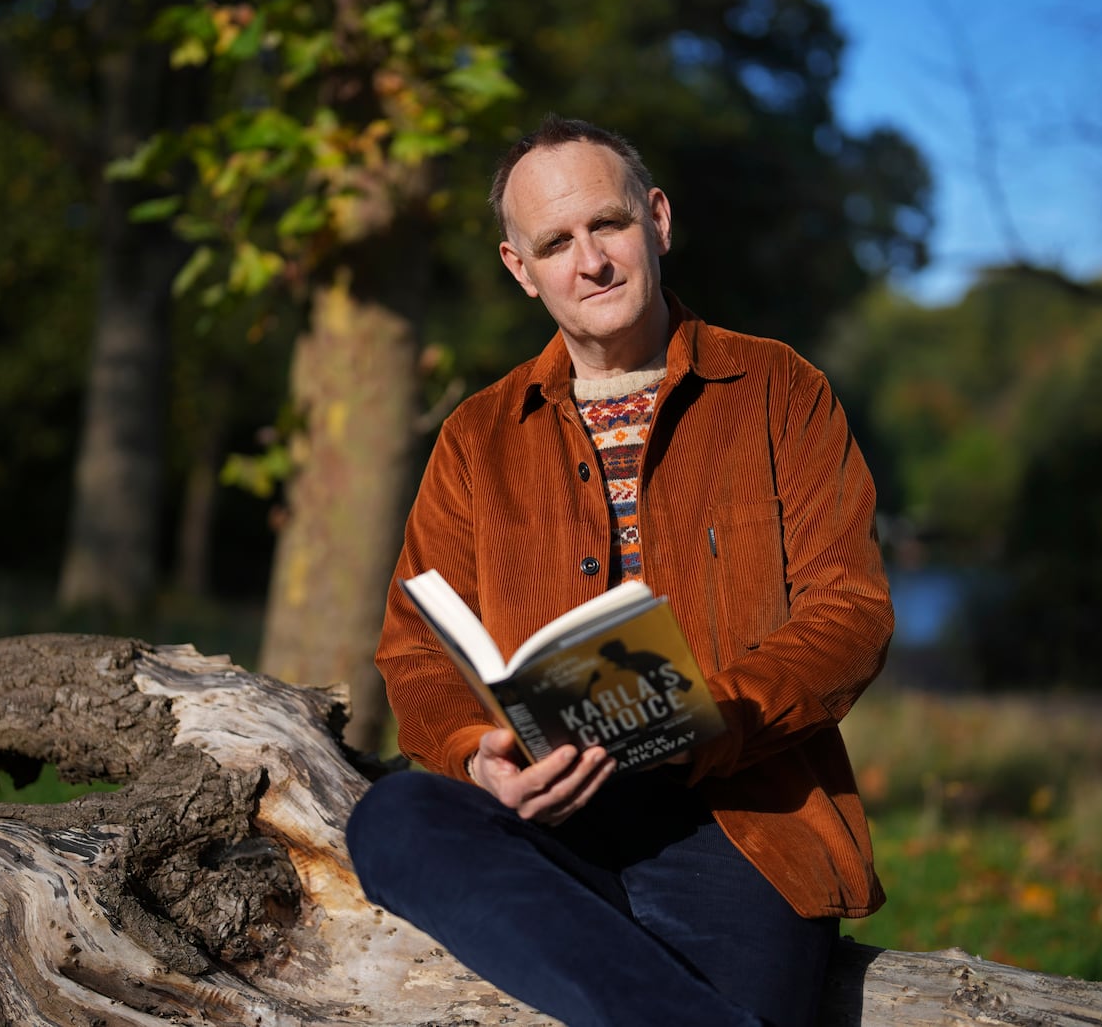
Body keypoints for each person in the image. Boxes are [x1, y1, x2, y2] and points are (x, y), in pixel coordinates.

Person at [345, 115, 893, 1027]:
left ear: (658, 220)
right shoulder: (477, 436)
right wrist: (473, 760)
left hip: (740, 821)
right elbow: (414, 653)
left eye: (607, 224)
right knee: (395, 819)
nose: (590, 261)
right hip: (546, 817)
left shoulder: (778, 389)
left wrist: (709, 715)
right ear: (521, 269)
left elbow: (850, 613)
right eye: (556, 242)